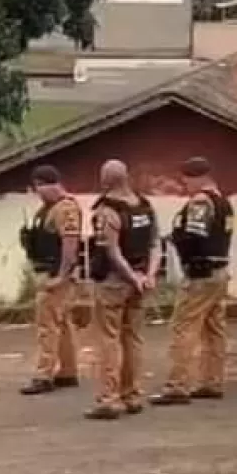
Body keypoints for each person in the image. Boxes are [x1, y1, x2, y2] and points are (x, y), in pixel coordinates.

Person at [151, 157, 234, 405]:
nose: (184, 185)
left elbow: (194, 236)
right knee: (214, 328)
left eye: (185, 180)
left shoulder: (200, 201)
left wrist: (176, 239)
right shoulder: (224, 202)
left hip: (200, 273)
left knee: (184, 326)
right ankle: (212, 381)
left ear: (197, 178)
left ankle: (177, 385)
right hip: (219, 270)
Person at [86, 159, 160, 420]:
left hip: (114, 282)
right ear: (126, 177)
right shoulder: (145, 206)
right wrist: (147, 276)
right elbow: (155, 245)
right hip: (140, 279)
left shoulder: (107, 211)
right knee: (133, 339)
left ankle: (109, 399)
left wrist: (131, 277)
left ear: (105, 180)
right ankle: (133, 394)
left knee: (109, 340)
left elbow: (112, 251)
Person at [18, 165, 81, 395]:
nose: (38, 193)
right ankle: (67, 370)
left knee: (48, 326)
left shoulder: (64, 208)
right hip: (49, 270)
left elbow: (70, 243)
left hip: (55, 274)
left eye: (38, 188)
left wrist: (61, 275)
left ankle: (44, 374)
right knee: (62, 324)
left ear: (46, 184)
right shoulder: (48, 209)